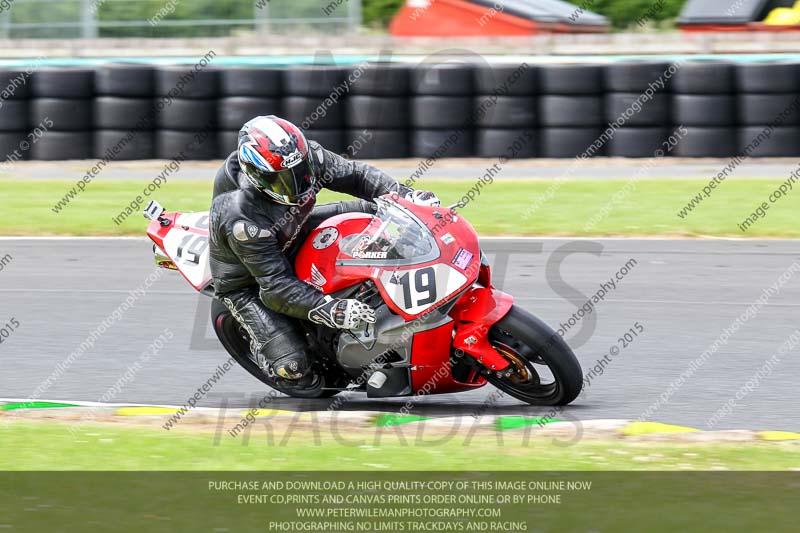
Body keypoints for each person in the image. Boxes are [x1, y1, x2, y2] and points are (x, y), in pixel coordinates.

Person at [209, 115, 440, 388]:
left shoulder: (304, 156)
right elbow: (275, 287)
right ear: (256, 175)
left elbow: (357, 176)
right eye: (282, 180)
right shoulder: (241, 218)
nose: (296, 183)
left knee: (378, 211)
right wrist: (333, 309)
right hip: (250, 281)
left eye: (299, 172)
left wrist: (402, 194)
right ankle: (271, 352)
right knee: (295, 370)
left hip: (296, 226)